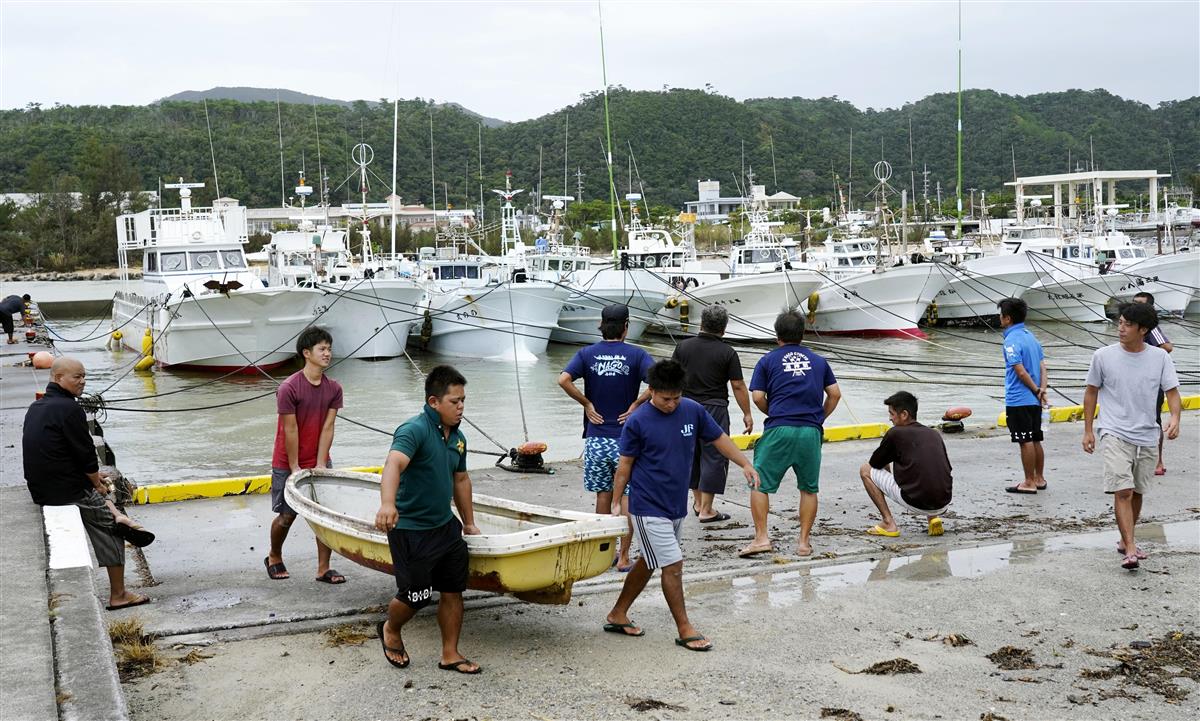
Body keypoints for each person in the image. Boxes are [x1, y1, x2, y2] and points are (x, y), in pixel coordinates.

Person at [603, 360, 758, 651]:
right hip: (647, 506)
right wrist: (615, 502)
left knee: (649, 561)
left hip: (675, 506)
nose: (672, 404)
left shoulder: (692, 410)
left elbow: (719, 438)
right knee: (672, 565)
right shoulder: (637, 421)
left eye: (676, 397)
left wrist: (744, 464)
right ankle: (685, 628)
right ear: (650, 392)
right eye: (665, 399)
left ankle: (617, 613)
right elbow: (624, 467)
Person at [23, 357, 156, 610]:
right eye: (76, 377)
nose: (82, 381)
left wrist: (95, 479)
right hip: (64, 491)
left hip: (41, 487)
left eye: (84, 376)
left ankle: (115, 512)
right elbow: (85, 454)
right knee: (112, 530)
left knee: (99, 492)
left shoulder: (37, 407)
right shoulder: (70, 409)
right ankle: (119, 594)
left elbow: (59, 453)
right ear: (57, 378)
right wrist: (96, 482)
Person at [374, 365, 482, 673]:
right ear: (434, 402)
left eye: (463, 401)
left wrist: (469, 521)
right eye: (454, 401)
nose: (461, 407)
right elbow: (393, 464)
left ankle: (450, 653)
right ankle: (391, 628)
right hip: (411, 529)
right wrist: (387, 504)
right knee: (416, 596)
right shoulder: (414, 430)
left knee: (452, 590)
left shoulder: (458, 438)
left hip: (445, 528)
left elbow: (460, 480)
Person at [1083, 303, 1181, 571]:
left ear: (1144, 330)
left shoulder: (1160, 358)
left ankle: (1126, 538)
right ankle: (1130, 548)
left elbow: (1172, 392)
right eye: (1120, 323)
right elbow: (1091, 392)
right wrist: (1088, 429)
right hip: (1113, 430)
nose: (1121, 328)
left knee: (1137, 490)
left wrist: (1175, 418)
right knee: (1123, 489)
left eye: (1127, 324)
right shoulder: (1103, 356)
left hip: (1147, 432)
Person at [557, 304, 653, 571]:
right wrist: (636, 404)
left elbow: (563, 380)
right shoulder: (636, 354)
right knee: (627, 498)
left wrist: (586, 404)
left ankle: (603, 554)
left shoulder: (587, 353)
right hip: (627, 440)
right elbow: (658, 381)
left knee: (603, 495)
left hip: (597, 438)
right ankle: (623, 557)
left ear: (601, 325)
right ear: (626, 326)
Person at [743, 310, 841, 558]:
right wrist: (819, 418)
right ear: (802, 334)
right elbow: (835, 394)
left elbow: (756, 396)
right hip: (810, 431)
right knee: (808, 488)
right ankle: (804, 543)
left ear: (777, 335)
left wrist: (773, 412)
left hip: (779, 428)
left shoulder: (767, 360)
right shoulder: (819, 361)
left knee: (760, 483)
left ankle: (761, 538)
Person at [265, 327, 346, 584]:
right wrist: (295, 467)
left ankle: (323, 568)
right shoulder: (289, 387)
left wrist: (322, 463)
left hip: (319, 458)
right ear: (306, 353)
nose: (327, 353)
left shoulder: (334, 388)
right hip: (287, 461)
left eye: (329, 349)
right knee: (287, 516)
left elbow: (328, 427)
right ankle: (274, 556)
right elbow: (290, 428)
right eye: (322, 349)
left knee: (324, 518)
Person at [672, 305, 754, 523]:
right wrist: (747, 413)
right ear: (724, 328)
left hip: (686, 407)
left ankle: (698, 503)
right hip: (714, 409)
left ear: (701, 323)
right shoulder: (727, 352)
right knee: (714, 457)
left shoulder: (683, 347)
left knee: (692, 455)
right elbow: (737, 385)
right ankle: (707, 509)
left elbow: (671, 378)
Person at [859, 391, 953, 537]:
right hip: (943, 503)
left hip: (916, 502)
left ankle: (888, 523)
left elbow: (875, 464)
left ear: (904, 414)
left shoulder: (895, 433)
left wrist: (888, 482)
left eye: (892, 414)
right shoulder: (933, 433)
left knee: (865, 470)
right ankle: (933, 519)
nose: (890, 418)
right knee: (927, 469)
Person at [997, 297, 1048, 494]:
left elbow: (1019, 371)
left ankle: (1028, 482)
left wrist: (1035, 390)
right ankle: (1039, 477)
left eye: (1001, 315)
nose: (999, 319)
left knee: (1024, 440)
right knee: (1035, 439)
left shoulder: (1011, 340)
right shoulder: (1031, 337)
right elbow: (1043, 367)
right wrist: (1041, 390)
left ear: (1007, 318)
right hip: (1034, 399)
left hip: (1019, 398)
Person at [1132, 292, 1173, 476]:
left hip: (1153, 384)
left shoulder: (1150, 327)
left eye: (1140, 304)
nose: (1136, 308)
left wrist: (1148, 355)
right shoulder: (1131, 326)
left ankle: (1158, 460)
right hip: (1134, 382)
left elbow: (1167, 347)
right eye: (1134, 304)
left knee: (1154, 421)